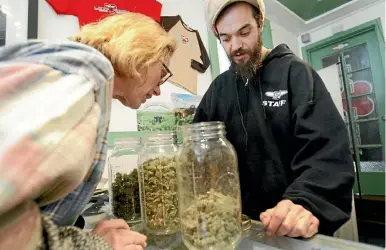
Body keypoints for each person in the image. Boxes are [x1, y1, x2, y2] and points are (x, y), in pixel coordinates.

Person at [0, 12, 175, 250]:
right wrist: (93, 245)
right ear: (141, 54)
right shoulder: (82, 82)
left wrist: (78, 237)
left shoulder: (73, 77)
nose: (158, 91)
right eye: (162, 73)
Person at [195, 0, 355, 238]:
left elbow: (327, 155)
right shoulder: (218, 90)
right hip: (236, 230)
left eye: (244, 32)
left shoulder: (296, 74)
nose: (236, 46)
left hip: (290, 229)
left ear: (260, 23)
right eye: (226, 38)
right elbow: (198, 153)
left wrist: (305, 202)